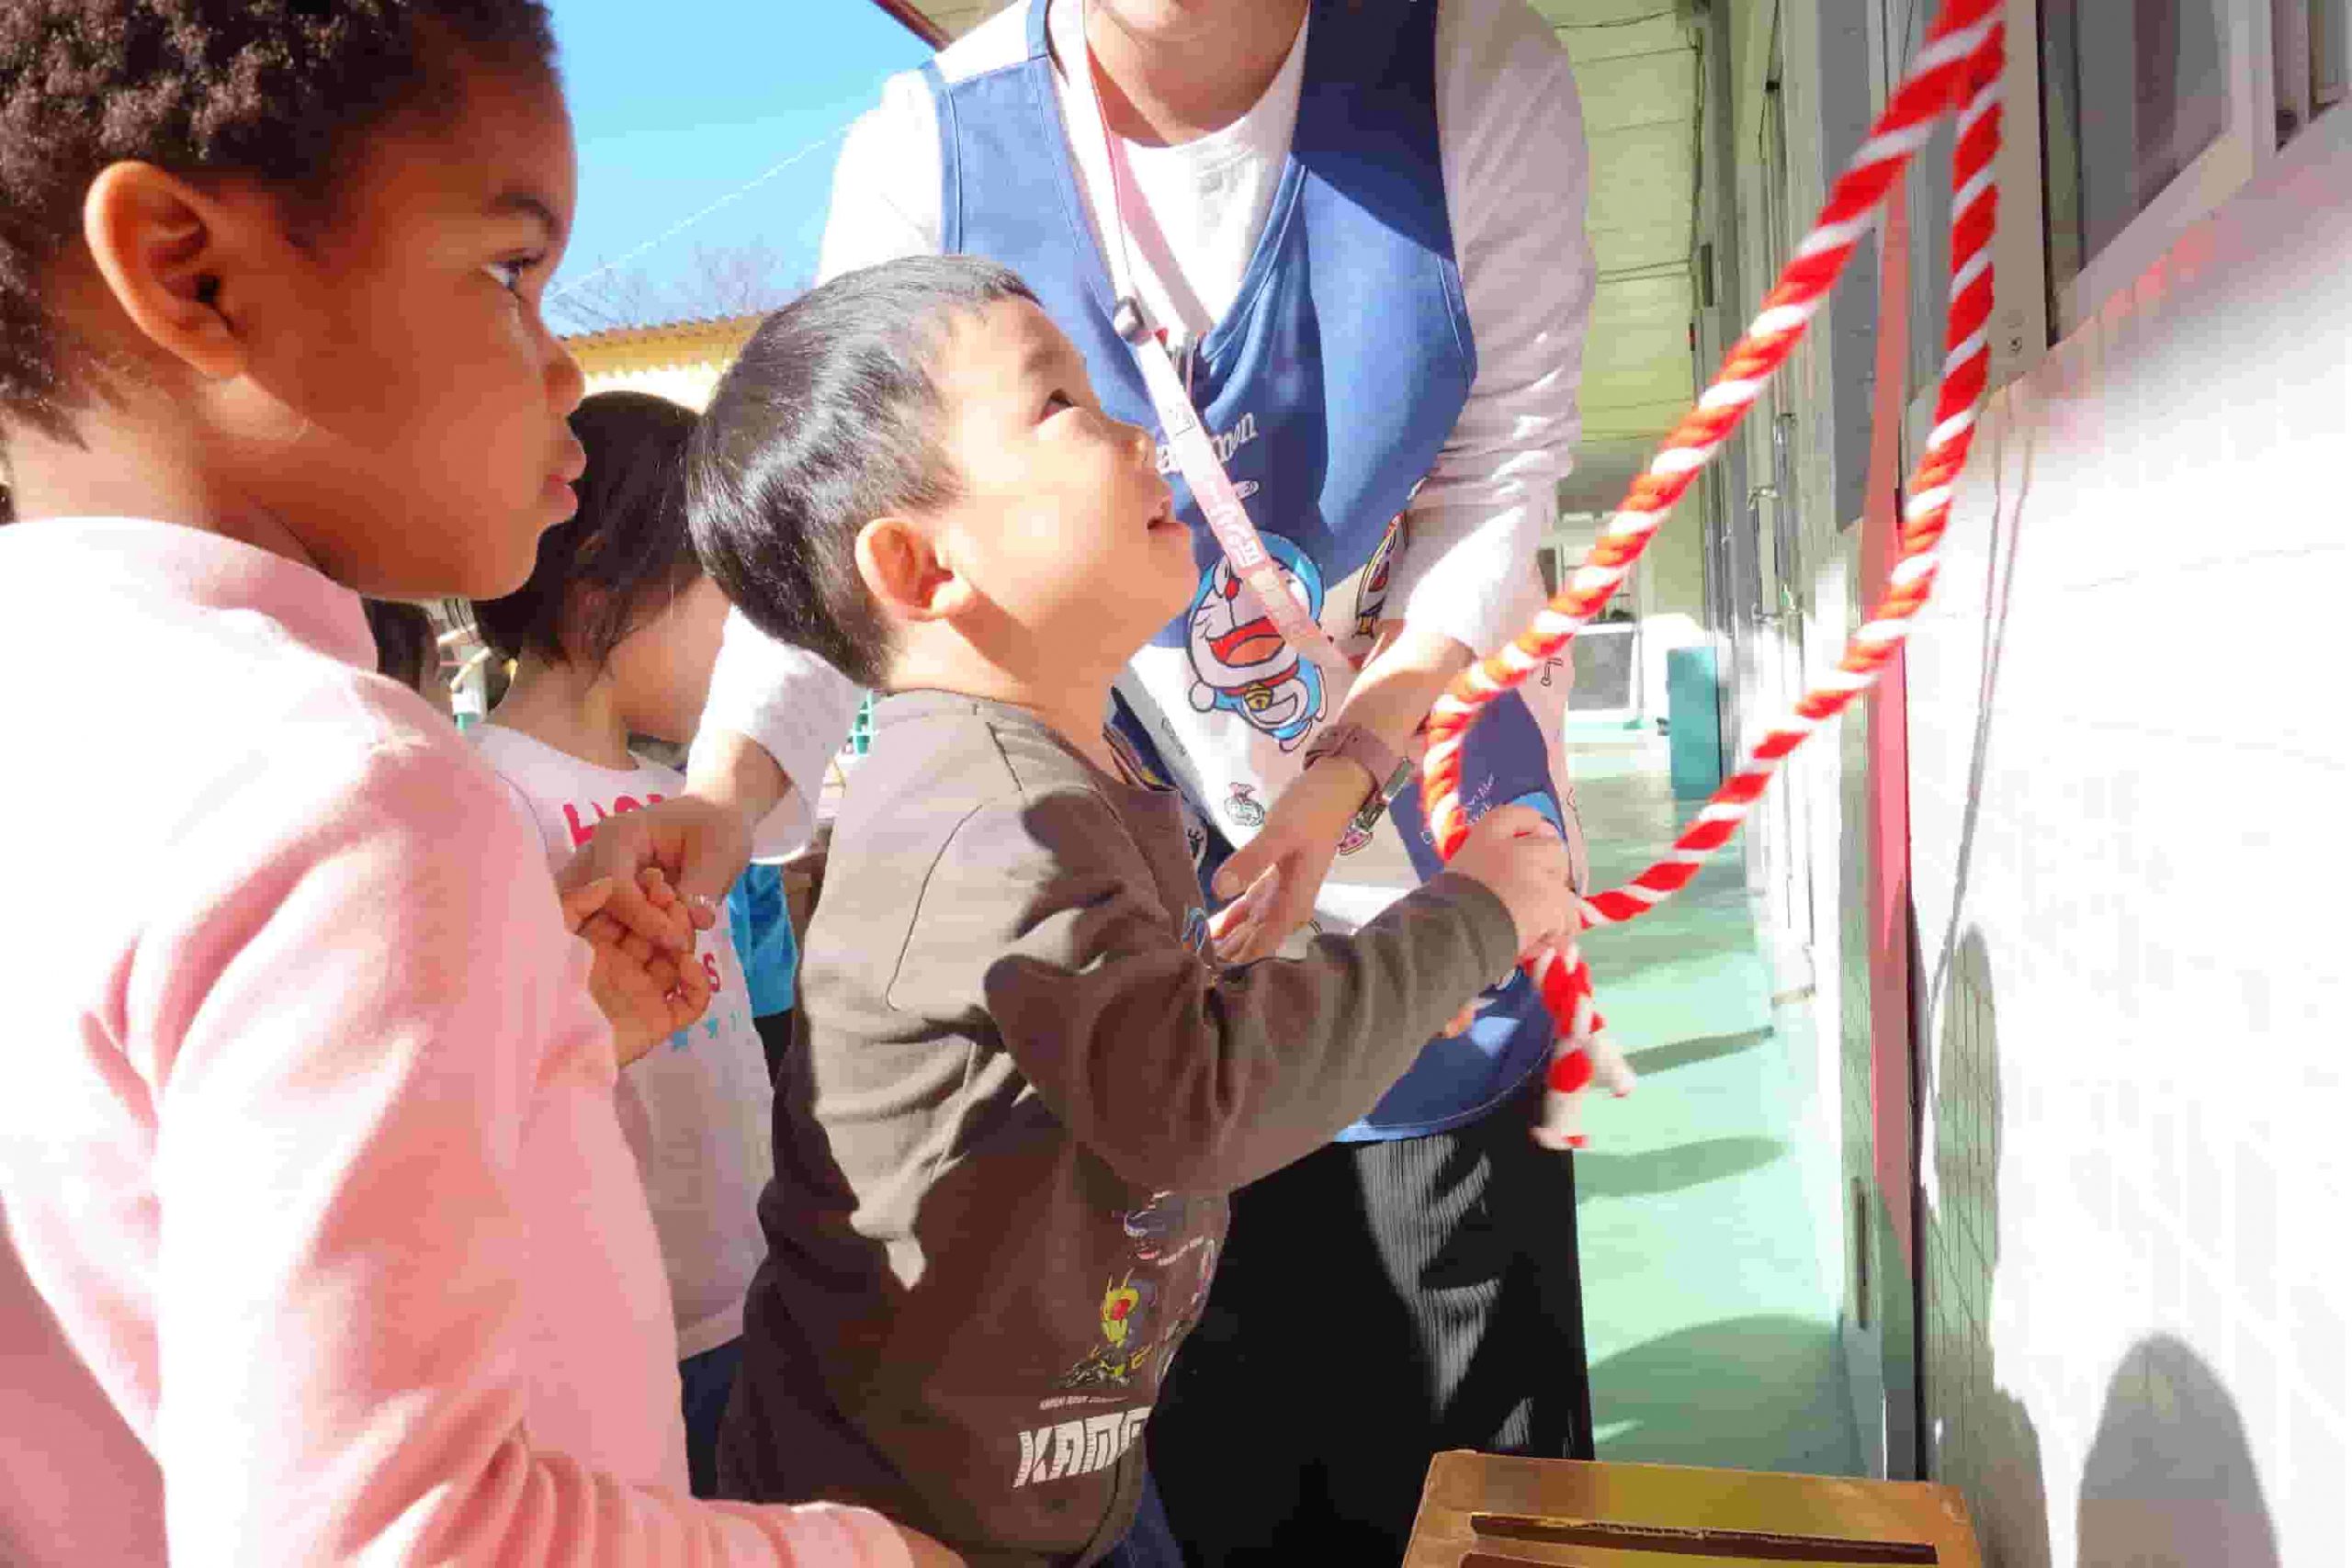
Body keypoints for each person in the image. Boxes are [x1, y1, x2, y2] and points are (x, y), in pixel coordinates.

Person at [601, 0, 1601, 1558]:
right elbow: (831, 528)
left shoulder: (1468, 72)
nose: (1136, 430)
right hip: (973, 1490)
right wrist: (726, 798)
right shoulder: (1006, 821)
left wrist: (1353, 776)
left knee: (1409, 1434)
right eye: (1063, 399)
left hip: (1363, 898)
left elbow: (1501, 473)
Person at [0, 6, 952, 1562]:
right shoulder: (344, 801)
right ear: (190, 272)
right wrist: (868, 1554)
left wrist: (537, 1036)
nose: (563, 364)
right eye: (511, 271)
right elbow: (401, 1534)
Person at [469, 389, 775, 1499]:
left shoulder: (683, 802)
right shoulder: (488, 799)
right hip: (625, 1328)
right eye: (719, 599)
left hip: (750, 1286)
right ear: (605, 584)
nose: (739, 645)